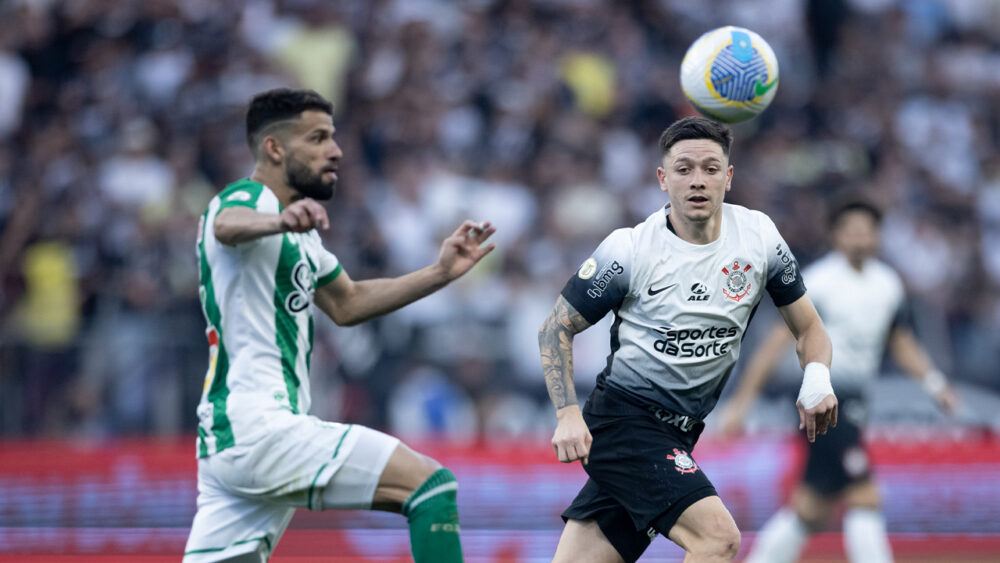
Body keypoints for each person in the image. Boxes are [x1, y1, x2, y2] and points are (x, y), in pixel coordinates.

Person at [183, 88, 496, 562]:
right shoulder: (250, 201)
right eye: (318, 138)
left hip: (232, 438)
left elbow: (347, 302)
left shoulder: (299, 236)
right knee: (430, 485)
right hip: (259, 425)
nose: (336, 150)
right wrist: (278, 221)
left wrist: (438, 273)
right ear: (274, 148)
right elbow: (228, 222)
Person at [537, 116, 838, 563]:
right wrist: (566, 415)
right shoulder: (630, 249)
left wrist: (816, 377)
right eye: (684, 169)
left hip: (681, 432)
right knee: (718, 539)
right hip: (623, 421)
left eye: (711, 168)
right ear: (663, 179)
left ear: (729, 177)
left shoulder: (759, 239)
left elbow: (809, 328)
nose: (698, 180)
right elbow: (556, 328)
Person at [718, 198, 959, 563]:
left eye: (867, 229)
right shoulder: (818, 282)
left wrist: (935, 384)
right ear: (835, 235)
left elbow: (901, 341)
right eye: (851, 229)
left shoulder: (887, 284)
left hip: (857, 400)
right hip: (821, 400)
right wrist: (741, 402)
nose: (860, 237)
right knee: (864, 494)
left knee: (812, 508)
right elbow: (773, 345)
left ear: (878, 235)